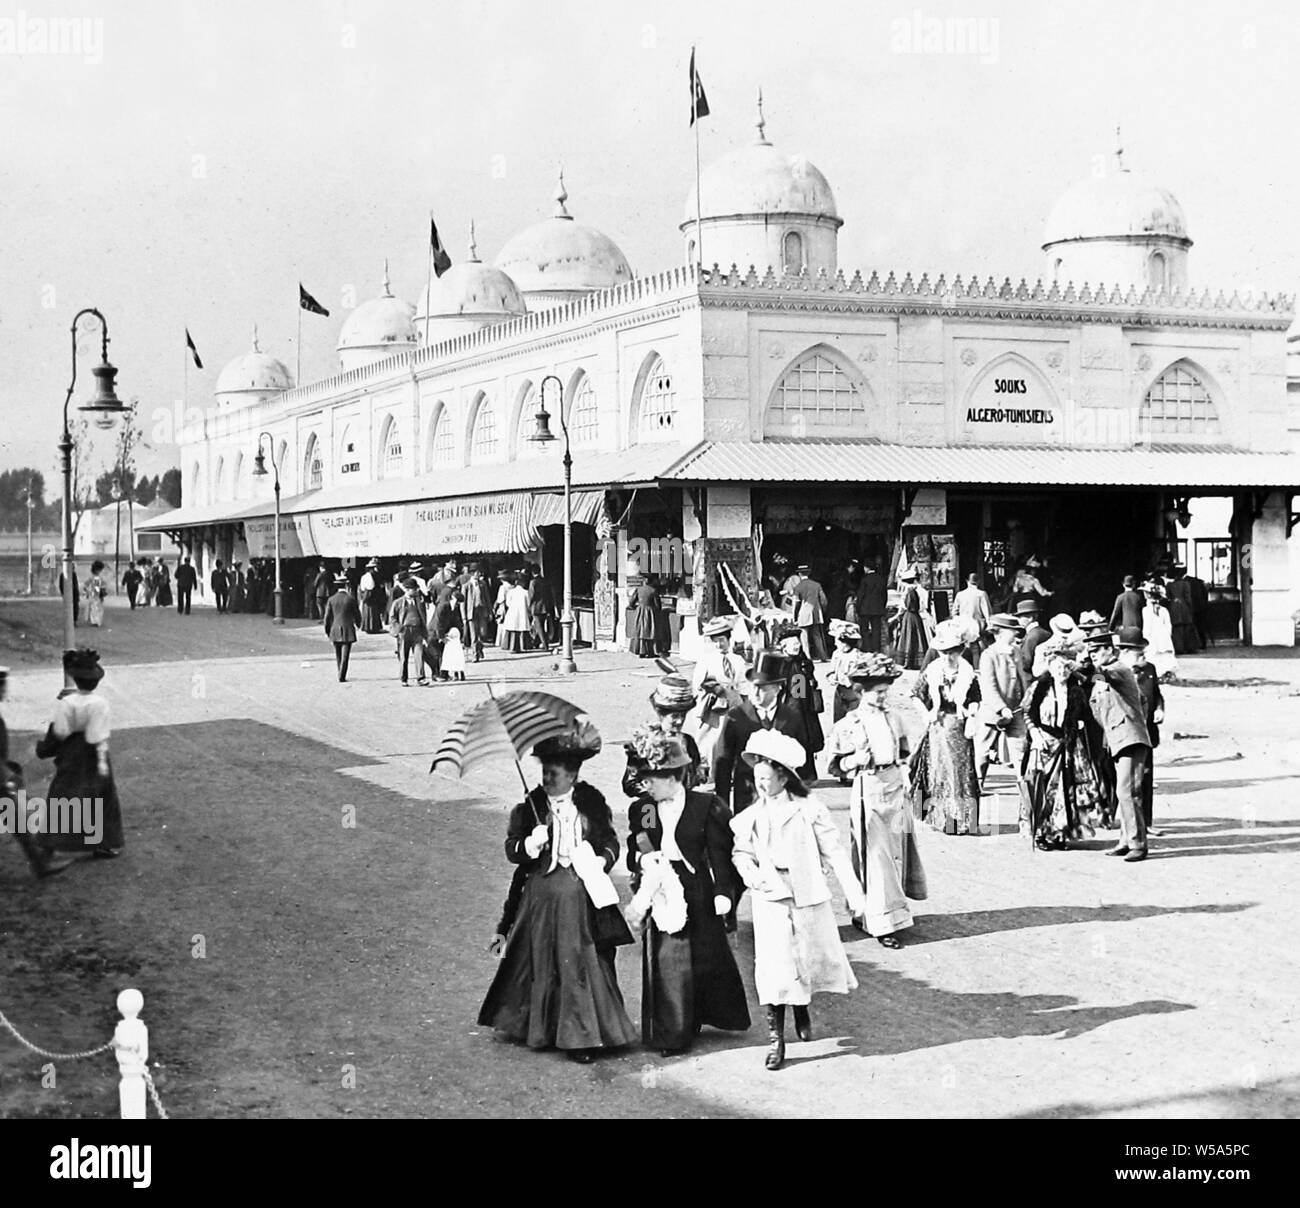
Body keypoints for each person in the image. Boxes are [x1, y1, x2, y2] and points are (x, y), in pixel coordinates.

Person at [478, 721, 637, 1062]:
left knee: (578, 962)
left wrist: (599, 859)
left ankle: (581, 1035)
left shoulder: (591, 803)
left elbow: (610, 843)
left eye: (553, 774)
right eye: (545, 773)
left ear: (571, 776)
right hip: (539, 895)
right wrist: (529, 845)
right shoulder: (531, 806)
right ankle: (538, 1026)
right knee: (535, 960)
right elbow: (512, 850)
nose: (547, 780)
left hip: (579, 895)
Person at [732, 730, 865, 1071]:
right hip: (770, 896)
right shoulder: (753, 815)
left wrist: (855, 895)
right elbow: (741, 853)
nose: (761, 785)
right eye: (757, 778)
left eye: (767, 778)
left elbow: (834, 852)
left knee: (806, 959)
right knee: (774, 966)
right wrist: (751, 874)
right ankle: (776, 1038)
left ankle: (802, 1006)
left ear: (783, 777)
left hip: (806, 893)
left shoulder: (808, 810)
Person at [625, 727, 750, 1056]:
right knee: (669, 959)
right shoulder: (646, 808)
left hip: (696, 888)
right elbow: (636, 841)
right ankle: (672, 1033)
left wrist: (724, 892)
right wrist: (641, 856)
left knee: (703, 956)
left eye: (651, 778)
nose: (645, 785)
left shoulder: (705, 805)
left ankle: (694, 1018)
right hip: (661, 885)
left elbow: (722, 854)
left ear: (671, 777)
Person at [826, 652, 921, 949]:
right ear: (861, 692)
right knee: (875, 855)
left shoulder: (894, 717)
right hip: (869, 787)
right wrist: (855, 759)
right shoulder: (849, 722)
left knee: (898, 851)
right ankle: (880, 922)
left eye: (885, 691)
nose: (883, 697)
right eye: (878, 692)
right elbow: (834, 764)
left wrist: (902, 771)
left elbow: (905, 750)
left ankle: (890, 913)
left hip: (896, 788)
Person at [30, 648, 125, 869]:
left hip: (71, 751)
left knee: (63, 794)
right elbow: (97, 735)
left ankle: (49, 845)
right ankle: (104, 842)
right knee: (102, 796)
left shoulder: (66, 702)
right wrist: (101, 759)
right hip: (93, 753)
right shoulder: (100, 704)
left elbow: (61, 731)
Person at [1024, 642, 1105, 850]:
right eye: (1057, 667)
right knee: (1044, 789)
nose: (1061, 671)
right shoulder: (1039, 687)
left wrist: (1079, 722)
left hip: (1068, 743)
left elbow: (1087, 714)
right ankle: (1041, 833)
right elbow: (1027, 712)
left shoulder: (1075, 690)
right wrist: (1035, 735)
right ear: (1050, 668)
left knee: (1065, 790)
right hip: (1044, 742)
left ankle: (1060, 834)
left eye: (1065, 667)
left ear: (1070, 669)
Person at [713, 652, 815, 814]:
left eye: (762, 689)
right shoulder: (736, 717)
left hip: (783, 800)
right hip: (747, 798)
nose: (756, 693)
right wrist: (722, 806)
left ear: (776, 688)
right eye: (753, 686)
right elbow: (723, 762)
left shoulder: (792, 717)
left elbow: (803, 758)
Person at [910, 618, 982, 836]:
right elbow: (915, 694)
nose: (949, 656)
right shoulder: (933, 671)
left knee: (961, 773)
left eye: (953, 652)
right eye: (944, 652)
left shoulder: (967, 672)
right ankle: (944, 819)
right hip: (939, 728)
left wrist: (972, 709)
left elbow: (976, 696)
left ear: (960, 651)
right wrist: (927, 713)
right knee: (941, 772)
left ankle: (965, 820)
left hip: (959, 727)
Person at [1085, 630, 1152, 862]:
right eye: (1089, 652)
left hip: (1130, 738)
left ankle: (1138, 844)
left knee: (1127, 791)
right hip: (1118, 739)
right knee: (1123, 792)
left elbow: (1103, 675)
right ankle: (1126, 840)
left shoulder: (1119, 669)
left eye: (1096, 651)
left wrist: (1134, 722)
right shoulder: (1103, 678)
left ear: (1110, 650)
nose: (1092, 655)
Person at [975, 613, 1031, 827]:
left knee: (1022, 763)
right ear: (998, 632)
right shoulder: (989, 655)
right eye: (1011, 630)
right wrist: (1000, 708)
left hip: (1016, 713)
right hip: (993, 715)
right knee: (980, 760)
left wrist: (1027, 700)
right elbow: (988, 686)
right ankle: (971, 814)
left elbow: (1023, 678)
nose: (1015, 634)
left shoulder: (1015, 651)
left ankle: (1026, 818)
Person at [1116, 626, 1164, 836]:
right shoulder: (1116, 672)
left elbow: (1158, 694)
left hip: (1147, 731)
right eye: (1138, 651)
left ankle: (1147, 822)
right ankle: (1122, 823)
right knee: (1126, 784)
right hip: (1125, 734)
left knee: (1146, 776)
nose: (1143, 655)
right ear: (1125, 652)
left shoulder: (1150, 669)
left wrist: (1160, 708)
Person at [687, 616, 748, 772]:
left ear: (728, 640)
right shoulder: (706, 660)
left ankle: (728, 773)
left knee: (730, 740)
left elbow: (743, 683)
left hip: (733, 704)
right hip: (713, 705)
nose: (719, 644)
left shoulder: (737, 660)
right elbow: (698, 684)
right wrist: (714, 691)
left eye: (722, 640)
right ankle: (705, 772)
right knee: (710, 740)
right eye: (715, 641)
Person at [625, 676, 705, 796]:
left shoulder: (687, 742)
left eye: (683, 715)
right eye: (674, 716)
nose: (679, 721)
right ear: (661, 714)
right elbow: (629, 784)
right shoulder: (642, 744)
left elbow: (695, 777)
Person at [775, 624, 825, 773]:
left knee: (806, 740)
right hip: (789, 707)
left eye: (798, 643)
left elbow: (803, 689)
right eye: (793, 644)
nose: (797, 646)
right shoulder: (781, 663)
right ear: (783, 646)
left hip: (805, 708)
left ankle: (807, 774)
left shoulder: (803, 663)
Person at [322, 574, 361, 683]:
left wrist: (327, 630)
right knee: (345, 654)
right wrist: (358, 624)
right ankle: (342, 675)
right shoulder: (351, 599)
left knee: (337, 653)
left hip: (335, 629)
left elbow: (327, 617)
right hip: (348, 629)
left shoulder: (331, 599)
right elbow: (357, 614)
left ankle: (340, 671)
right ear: (346, 585)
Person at [786, 564, 829, 662]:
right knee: (817, 635)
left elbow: (796, 604)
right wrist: (822, 610)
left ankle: (808, 657)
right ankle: (823, 656)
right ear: (809, 573)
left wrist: (794, 617)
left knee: (804, 636)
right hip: (816, 613)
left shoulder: (798, 587)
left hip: (804, 613)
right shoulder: (817, 585)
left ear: (799, 574)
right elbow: (824, 600)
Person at [391, 578, 429, 686]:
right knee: (403, 655)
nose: (416, 591)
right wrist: (399, 629)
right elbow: (392, 618)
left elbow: (423, 617)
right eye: (414, 589)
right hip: (404, 631)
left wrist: (424, 633)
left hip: (417, 631)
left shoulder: (419, 602)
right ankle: (404, 678)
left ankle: (420, 678)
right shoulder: (398, 603)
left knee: (419, 654)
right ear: (407, 590)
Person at [827, 619, 863, 727]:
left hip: (853, 693)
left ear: (845, 642)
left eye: (837, 640)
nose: (835, 643)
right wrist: (831, 677)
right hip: (840, 691)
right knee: (839, 720)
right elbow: (831, 671)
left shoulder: (857, 656)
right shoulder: (836, 654)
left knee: (854, 722)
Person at [891, 567, 927, 669]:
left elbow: (903, 607)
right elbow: (923, 606)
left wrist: (895, 617)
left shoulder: (907, 591)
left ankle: (908, 661)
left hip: (909, 616)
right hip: (917, 616)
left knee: (908, 638)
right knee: (918, 637)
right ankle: (918, 661)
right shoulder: (921, 590)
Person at [1141, 581, 1177, 679]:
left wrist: (1145, 637)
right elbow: (1168, 625)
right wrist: (1168, 636)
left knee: (1154, 654)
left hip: (1152, 635)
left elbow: (1147, 626)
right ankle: (1164, 673)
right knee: (1163, 654)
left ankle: (1158, 673)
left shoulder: (1146, 610)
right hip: (1163, 635)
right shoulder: (1164, 610)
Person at [854, 556, 889, 653]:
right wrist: (882, 606)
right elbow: (884, 595)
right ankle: (876, 649)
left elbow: (861, 595)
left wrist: (857, 608)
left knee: (864, 630)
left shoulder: (864, 580)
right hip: (877, 609)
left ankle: (866, 648)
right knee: (876, 630)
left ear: (866, 568)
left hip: (865, 609)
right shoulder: (881, 579)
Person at [1166, 565, 1200, 654]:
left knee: (1177, 629)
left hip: (1173, 606)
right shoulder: (1185, 584)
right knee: (1187, 627)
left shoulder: (1170, 585)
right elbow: (1188, 598)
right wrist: (1190, 608)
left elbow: (1168, 597)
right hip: (1184, 606)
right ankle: (1189, 647)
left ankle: (1178, 648)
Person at [627, 576, 662, 659]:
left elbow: (631, 602)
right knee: (650, 631)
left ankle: (641, 651)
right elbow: (658, 605)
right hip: (650, 612)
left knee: (640, 630)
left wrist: (634, 607)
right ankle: (650, 651)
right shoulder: (653, 591)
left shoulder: (638, 590)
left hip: (640, 611)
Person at [1016, 598, 1050, 681]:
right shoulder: (1045, 632)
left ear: (1030, 618)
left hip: (1032, 679)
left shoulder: (1031, 637)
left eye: (1021, 617)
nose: (1018, 620)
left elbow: (1026, 664)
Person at [462, 565, 491, 663]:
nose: (479, 574)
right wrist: (464, 616)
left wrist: (490, 612)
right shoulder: (466, 586)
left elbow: (488, 599)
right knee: (473, 635)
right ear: (472, 573)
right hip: (472, 612)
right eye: (477, 572)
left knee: (483, 633)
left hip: (482, 611)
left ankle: (479, 648)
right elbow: (463, 603)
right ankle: (475, 655)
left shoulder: (483, 584)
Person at [953, 572, 992, 642]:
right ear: (978, 581)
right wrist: (989, 625)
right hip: (977, 627)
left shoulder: (960, 595)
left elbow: (954, 613)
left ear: (967, 581)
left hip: (963, 627)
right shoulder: (981, 594)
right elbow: (987, 613)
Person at [500, 572, 531, 653]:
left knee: (513, 629)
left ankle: (512, 647)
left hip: (512, 613)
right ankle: (522, 646)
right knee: (521, 628)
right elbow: (528, 604)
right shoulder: (525, 592)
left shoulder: (511, 592)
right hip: (522, 613)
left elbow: (508, 603)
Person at [528, 571, 558, 651]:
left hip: (536, 607)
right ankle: (536, 643)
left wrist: (529, 606)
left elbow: (531, 595)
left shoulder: (533, 582)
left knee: (539, 627)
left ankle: (545, 645)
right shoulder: (546, 581)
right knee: (542, 625)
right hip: (546, 606)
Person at [86, 561, 107, 627]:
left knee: (97, 608)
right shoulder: (93, 578)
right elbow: (87, 585)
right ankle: (94, 621)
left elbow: (103, 586)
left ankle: (96, 621)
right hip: (94, 594)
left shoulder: (98, 578)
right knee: (94, 608)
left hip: (97, 594)